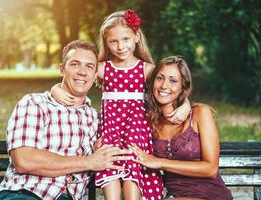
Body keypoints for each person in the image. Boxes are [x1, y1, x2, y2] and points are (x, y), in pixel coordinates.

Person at [51, 10, 190, 200]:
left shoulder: (147, 69)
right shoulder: (103, 68)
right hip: (111, 126)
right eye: (113, 41)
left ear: (136, 37)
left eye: (125, 39)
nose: (120, 46)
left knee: (133, 158)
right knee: (109, 158)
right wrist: (55, 89)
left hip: (137, 124)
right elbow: (76, 75)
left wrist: (186, 104)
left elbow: (170, 88)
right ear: (106, 43)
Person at [0, 40, 131, 200]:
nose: (82, 72)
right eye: (74, 64)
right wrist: (90, 162)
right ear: (62, 69)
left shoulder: (98, 120)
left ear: (95, 76)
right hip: (24, 193)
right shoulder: (35, 103)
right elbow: (23, 160)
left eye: (89, 66)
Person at [131, 56, 233, 200]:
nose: (164, 86)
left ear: (183, 87)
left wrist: (159, 162)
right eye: (160, 78)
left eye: (173, 81)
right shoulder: (149, 120)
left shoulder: (200, 113)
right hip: (176, 195)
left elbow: (211, 169)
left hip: (210, 195)